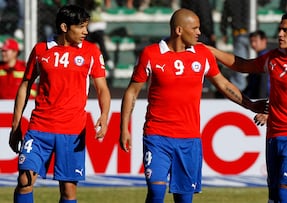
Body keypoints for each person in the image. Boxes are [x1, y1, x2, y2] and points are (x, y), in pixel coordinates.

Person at [119, 8, 267, 203]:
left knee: (184, 199)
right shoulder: (151, 53)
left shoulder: (202, 54)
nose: (199, 32)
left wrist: (250, 105)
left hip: (189, 140)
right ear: (179, 30)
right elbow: (132, 91)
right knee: (156, 193)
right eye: (195, 28)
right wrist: (124, 128)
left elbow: (223, 84)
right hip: (157, 136)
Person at [207, 13, 287, 203]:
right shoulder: (274, 58)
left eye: (286, 30)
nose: (280, 34)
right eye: (279, 29)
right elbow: (244, 65)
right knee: (279, 193)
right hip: (274, 134)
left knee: (286, 192)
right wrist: (212, 51)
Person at [8, 5, 111, 203]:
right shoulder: (40, 50)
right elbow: (25, 85)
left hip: (72, 132)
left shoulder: (91, 51)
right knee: (24, 180)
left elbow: (102, 89)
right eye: (81, 27)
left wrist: (104, 115)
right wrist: (16, 124)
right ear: (65, 27)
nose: (86, 32)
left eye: (86, 27)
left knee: (68, 192)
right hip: (39, 128)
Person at [219, 0, 251, 92]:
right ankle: (241, 88)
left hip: (241, 33)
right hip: (246, 32)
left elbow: (224, 17)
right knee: (243, 63)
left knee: (240, 63)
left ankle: (240, 88)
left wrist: (224, 32)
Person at [244, 30, 269, 99]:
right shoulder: (259, 59)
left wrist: (261, 98)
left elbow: (264, 81)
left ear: (264, 41)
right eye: (251, 41)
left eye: (255, 41)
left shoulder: (265, 59)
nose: (253, 44)